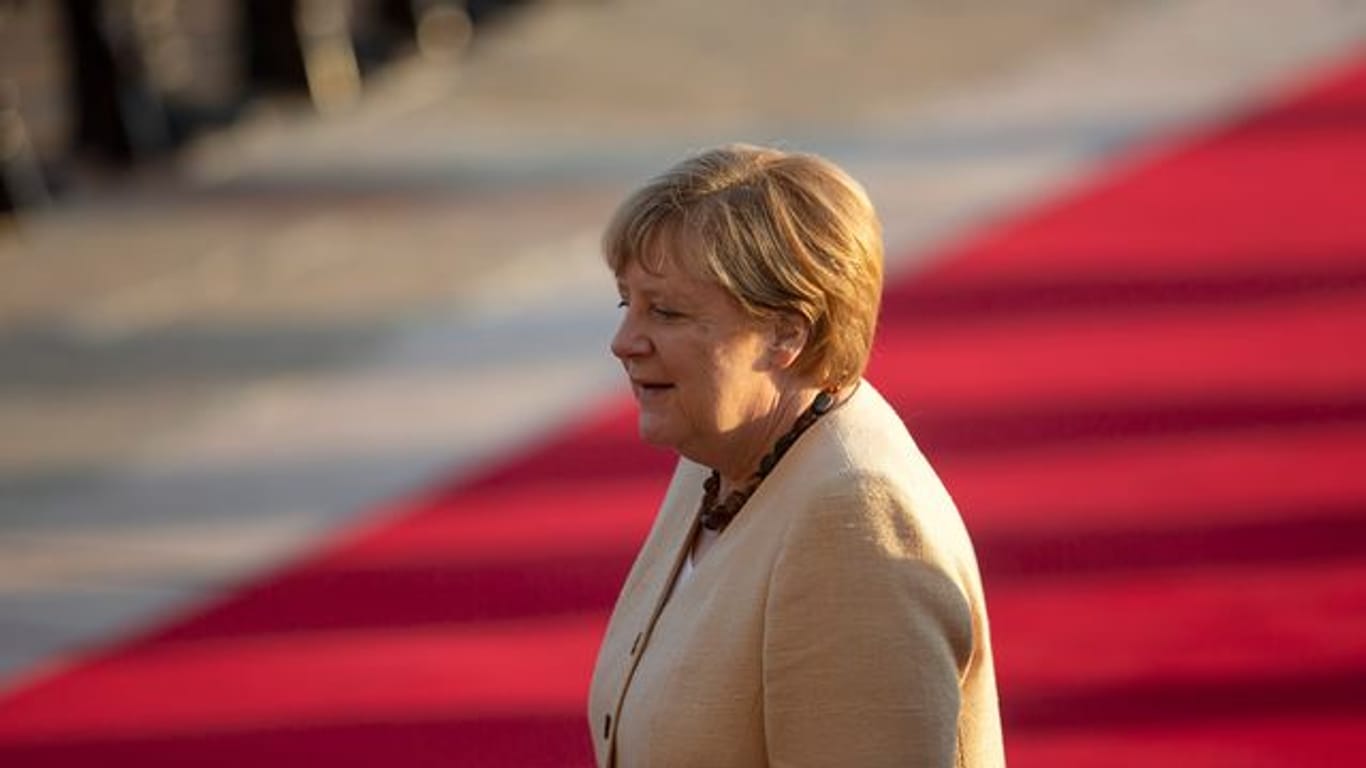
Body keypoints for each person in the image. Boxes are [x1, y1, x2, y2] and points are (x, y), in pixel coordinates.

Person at [588, 144, 1004, 767]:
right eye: (629, 302)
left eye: (667, 312)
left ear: (786, 332)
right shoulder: (717, 451)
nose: (624, 342)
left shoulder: (855, 523)